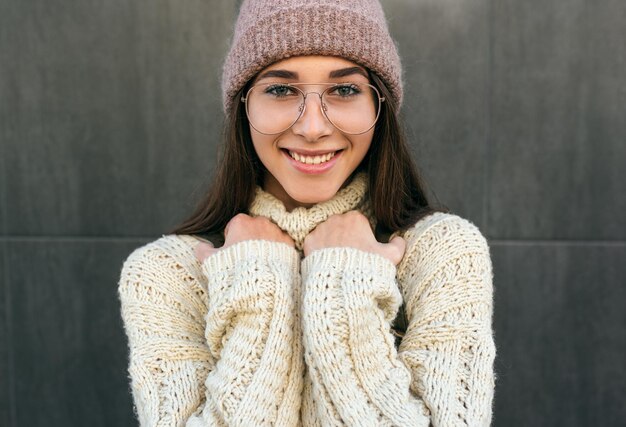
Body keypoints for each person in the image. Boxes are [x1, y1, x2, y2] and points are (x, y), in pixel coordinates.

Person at [118, 0, 497, 425]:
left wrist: (343, 281)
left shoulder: (442, 253)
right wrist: (259, 286)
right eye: (281, 90)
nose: (312, 127)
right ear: (244, 106)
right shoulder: (168, 275)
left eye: (344, 89)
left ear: (379, 106)